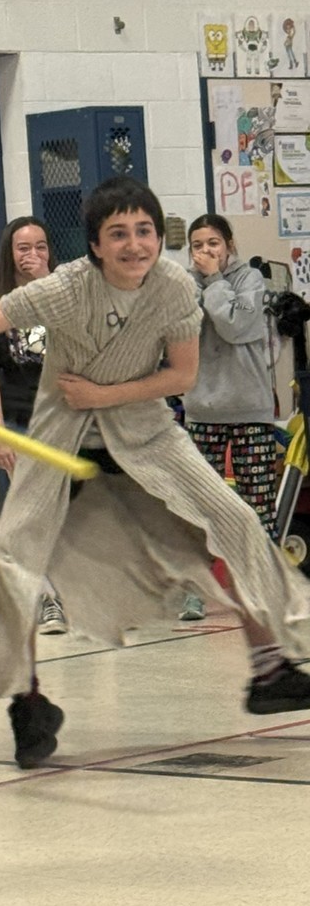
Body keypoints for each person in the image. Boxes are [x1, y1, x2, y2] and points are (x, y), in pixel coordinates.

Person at [0, 176, 310, 770]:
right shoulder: (62, 290)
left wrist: (104, 395)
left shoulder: (175, 287)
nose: (135, 245)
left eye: (145, 231)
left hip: (146, 431)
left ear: (158, 237)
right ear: (96, 245)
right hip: (61, 434)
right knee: (12, 554)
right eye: (119, 234)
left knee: (233, 521)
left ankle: (269, 670)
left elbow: (181, 377)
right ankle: (28, 703)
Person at [0, 216, 67, 635]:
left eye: (40, 247)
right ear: (10, 254)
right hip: (19, 423)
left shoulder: (66, 300)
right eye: (24, 248)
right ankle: (47, 599)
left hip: (65, 421)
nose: (33, 255)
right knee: (30, 517)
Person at [180, 212, 276, 621]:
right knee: (198, 504)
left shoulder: (250, 280)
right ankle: (195, 591)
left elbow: (236, 326)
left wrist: (216, 282)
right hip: (203, 410)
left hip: (250, 409)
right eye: (198, 245)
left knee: (257, 505)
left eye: (213, 244)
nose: (205, 252)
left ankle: (265, 588)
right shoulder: (183, 286)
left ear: (229, 245)